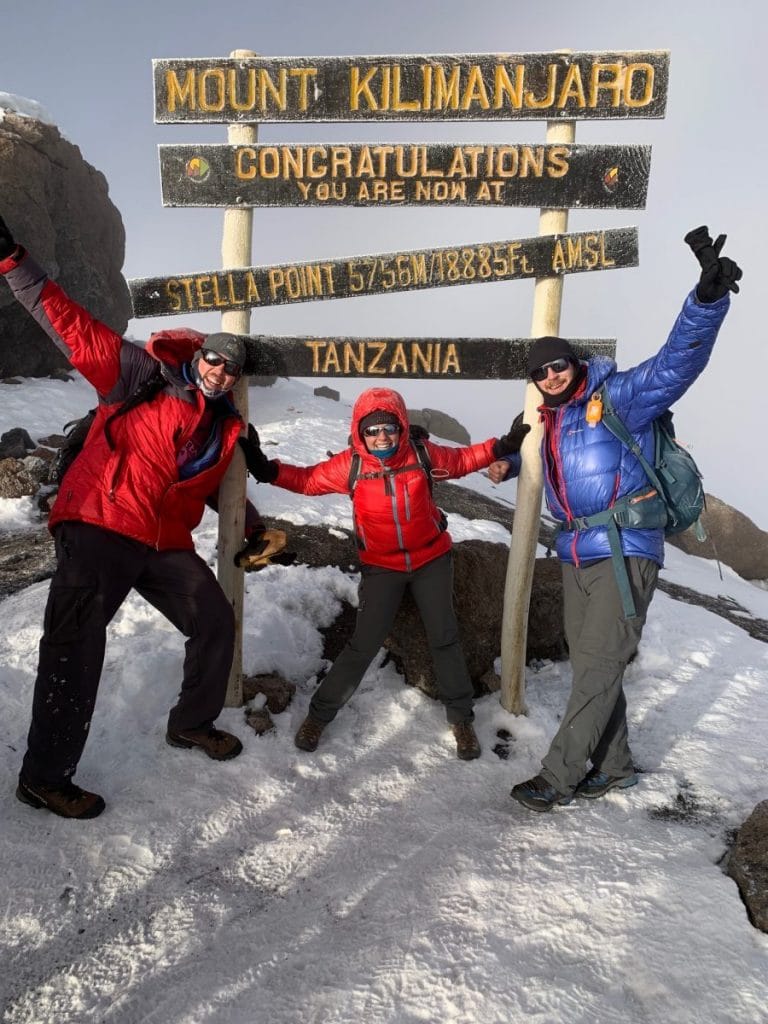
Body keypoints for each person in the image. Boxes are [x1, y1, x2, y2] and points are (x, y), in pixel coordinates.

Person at [0, 214, 271, 820]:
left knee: (214, 622)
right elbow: (70, 327)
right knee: (74, 649)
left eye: (231, 367)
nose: (219, 370)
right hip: (99, 522)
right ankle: (44, 778)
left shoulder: (224, 427)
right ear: (197, 354)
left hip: (160, 542)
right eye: (213, 358)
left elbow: (210, 491)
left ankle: (191, 724)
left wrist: (251, 525)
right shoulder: (139, 374)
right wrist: (14, 260)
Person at [487, 226, 742, 812]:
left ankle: (559, 775)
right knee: (593, 664)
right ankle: (616, 766)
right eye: (540, 372)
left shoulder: (619, 396)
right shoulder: (549, 421)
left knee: (598, 664)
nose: (550, 376)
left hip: (625, 549)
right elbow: (535, 454)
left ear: (575, 362)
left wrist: (705, 300)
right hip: (578, 554)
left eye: (558, 365)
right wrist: (504, 460)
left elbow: (676, 362)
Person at [239, 386, 529, 760]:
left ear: (401, 427)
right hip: (382, 567)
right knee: (363, 645)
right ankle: (319, 716)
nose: (381, 437)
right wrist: (265, 469)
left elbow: (464, 459)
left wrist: (504, 444)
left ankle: (462, 720)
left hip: (431, 562)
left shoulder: (421, 454)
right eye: (372, 430)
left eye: (388, 428)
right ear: (360, 432)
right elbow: (308, 480)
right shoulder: (352, 465)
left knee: (445, 639)